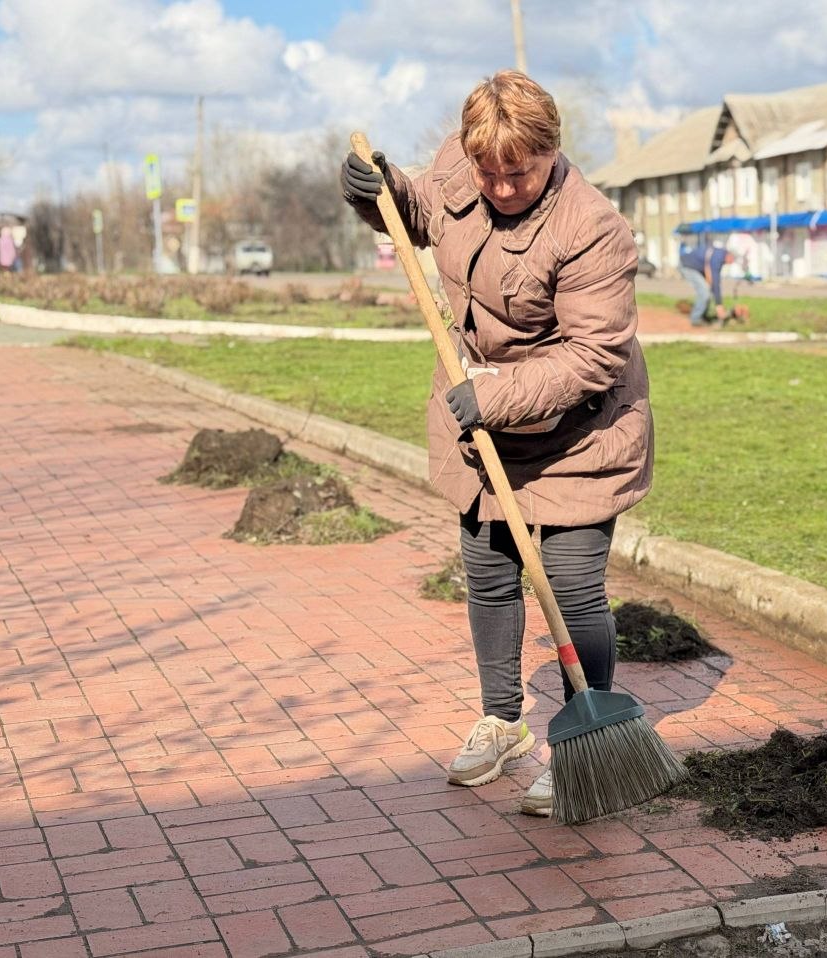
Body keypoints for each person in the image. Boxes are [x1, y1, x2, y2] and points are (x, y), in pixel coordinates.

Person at [340, 70, 653, 817]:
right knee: (488, 573)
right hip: (478, 416)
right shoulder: (463, 161)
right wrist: (375, 188)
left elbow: (593, 355)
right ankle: (504, 721)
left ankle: (586, 744)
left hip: (579, 429)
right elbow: (423, 215)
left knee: (573, 585)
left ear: (550, 152)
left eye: (521, 172)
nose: (503, 186)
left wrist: (500, 395)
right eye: (490, 171)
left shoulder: (592, 228)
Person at [678, 239, 736, 326]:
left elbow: (713, 280)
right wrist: (719, 305)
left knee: (707, 291)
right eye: (732, 260)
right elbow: (715, 282)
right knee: (704, 292)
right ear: (729, 255)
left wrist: (717, 302)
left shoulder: (721, 255)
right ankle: (695, 319)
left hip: (696, 268)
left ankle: (703, 315)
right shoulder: (718, 257)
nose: (731, 263)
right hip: (688, 266)